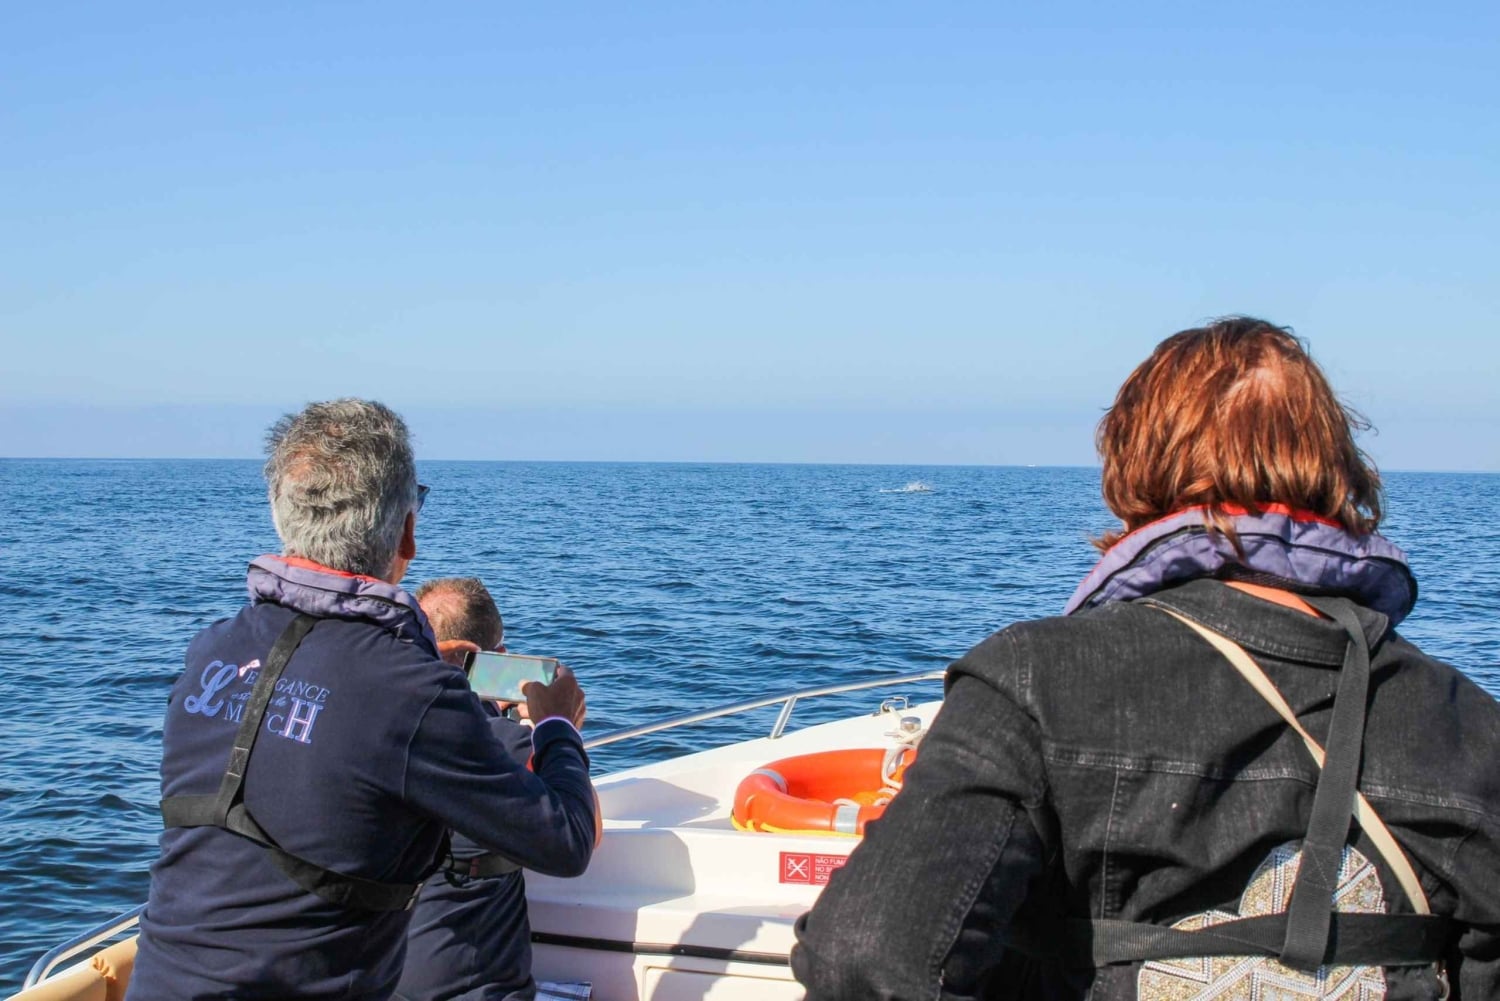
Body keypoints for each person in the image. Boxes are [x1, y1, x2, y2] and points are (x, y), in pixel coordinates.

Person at [792, 318, 1500, 1000]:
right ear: (1336, 468)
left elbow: (866, 959)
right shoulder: (1469, 721)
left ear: (1135, 465)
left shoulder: (1034, 681)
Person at [128, 399, 598, 1001]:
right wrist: (558, 725)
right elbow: (565, 841)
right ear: (406, 529)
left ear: (282, 516)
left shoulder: (212, 651)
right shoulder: (410, 690)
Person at [398, 576, 556, 1001]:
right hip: (474, 987)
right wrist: (553, 731)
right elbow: (581, 832)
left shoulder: (378, 726)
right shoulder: (504, 745)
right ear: (488, 658)